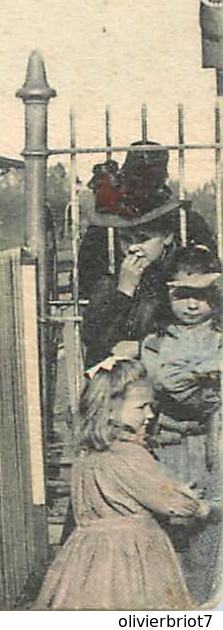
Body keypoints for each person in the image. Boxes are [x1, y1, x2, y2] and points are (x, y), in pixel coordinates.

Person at [35, 357, 211, 610]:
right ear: (109, 410)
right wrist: (200, 506)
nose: (150, 415)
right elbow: (174, 504)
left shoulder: (86, 456)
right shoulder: (130, 454)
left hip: (86, 557)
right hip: (132, 556)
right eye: (141, 407)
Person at [79, 141, 216, 364]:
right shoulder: (108, 265)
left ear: (169, 236)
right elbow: (94, 337)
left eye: (143, 239)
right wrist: (125, 289)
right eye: (126, 238)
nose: (133, 247)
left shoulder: (186, 266)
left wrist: (146, 348)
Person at [140, 246, 223, 604]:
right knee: (172, 521)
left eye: (202, 296)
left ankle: (201, 604)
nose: (192, 306)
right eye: (182, 295)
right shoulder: (157, 340)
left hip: (213, 443)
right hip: (169, 443)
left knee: (210, 521)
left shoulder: (219, 335)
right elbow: (165, 383)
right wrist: (204, 371)